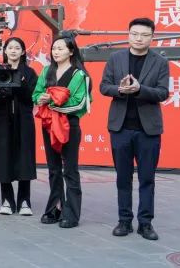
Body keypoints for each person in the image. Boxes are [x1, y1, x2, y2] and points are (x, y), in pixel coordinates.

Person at [100, 17, 168, 241]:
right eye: (134, 34)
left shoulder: (160, 61)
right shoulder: (116, 58)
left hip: (148, 130)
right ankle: (124, 221)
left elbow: (162, 93)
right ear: (128, 35)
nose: (139, 38)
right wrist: (120, 90)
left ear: (152, 37)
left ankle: (145, 223)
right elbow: (104, 86)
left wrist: (140, 89)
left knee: (147, 178)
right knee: (123, 177)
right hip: (120, 128)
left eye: (144, 35)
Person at [33, 33, 91, 229]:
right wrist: (40, 98)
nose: (55, 52)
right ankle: (55, 207)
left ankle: (71, 213)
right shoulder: (46, 71)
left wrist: (51, 102)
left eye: (60, 48)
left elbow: (79, 103)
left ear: (71, 51)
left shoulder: (79, 75)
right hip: (49, 124)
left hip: (69, 125)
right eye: (54, 48)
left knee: (70, 169)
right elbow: (36, 93)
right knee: (53, 168)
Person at [0, 37, 39, 216]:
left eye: (17, 48)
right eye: (10, 48)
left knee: (25, 158)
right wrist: (0, 87)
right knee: (3, 158)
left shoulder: (30, 73)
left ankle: (25, 200)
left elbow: (32, 97)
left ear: (23, 51)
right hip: (1, 121)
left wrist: (21, 82)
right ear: (5, 51)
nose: (14, 51)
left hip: (24, 121)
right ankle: (6, 200)